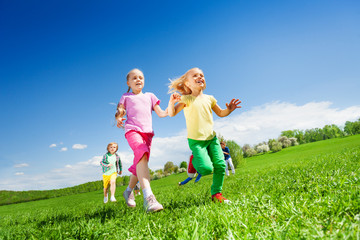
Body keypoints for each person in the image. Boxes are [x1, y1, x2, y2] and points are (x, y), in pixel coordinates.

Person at [168, 67, 241, 203]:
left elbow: (220, 113)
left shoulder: (210, 98)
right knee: (206, 169)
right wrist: (171, 103)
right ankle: (194, 161)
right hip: (196, 141)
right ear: (187, 84)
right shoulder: (186, 99)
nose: (200, 77)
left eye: (201, 75)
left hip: (211, 139)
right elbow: (172, 113)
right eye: (195, 76)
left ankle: (216, 194)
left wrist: (229, 110)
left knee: (220, 165)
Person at [115, 68, 168, 213]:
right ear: (128, 83)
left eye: (141, 77)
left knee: (140, 162)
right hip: (132, 130)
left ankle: (128, 191)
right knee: (141, 154)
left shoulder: (150, 96)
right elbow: (121, 110)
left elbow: (162, 113)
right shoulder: (126, 96)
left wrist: (175, 104)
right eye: (134, 78)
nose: (138, 80)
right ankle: (149, 198)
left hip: (148, 134)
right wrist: (119, 118)